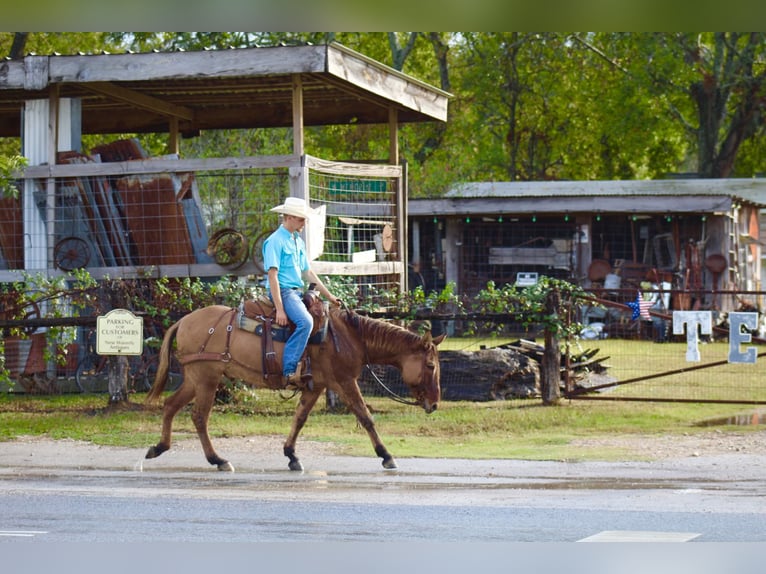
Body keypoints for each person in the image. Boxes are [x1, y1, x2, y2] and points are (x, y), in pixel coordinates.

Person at [262, 197, 340, 390]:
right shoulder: (274, 241)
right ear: (288, 217)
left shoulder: (297, 241)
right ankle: (289, 371)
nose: (304, 223)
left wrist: (329, 296)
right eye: (300, 219)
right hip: (284, 292)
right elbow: (273, 276)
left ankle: (313, 365)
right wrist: (280, 309)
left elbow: (308, 272)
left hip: (297, 292)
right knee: (306, 322)